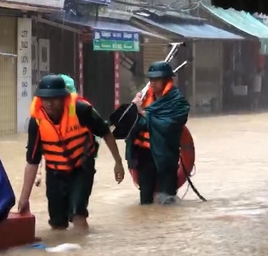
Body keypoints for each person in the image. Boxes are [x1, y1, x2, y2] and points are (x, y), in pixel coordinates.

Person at [18, 74, 125, 232]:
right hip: (55, 171)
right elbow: (32, 161)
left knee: (78, 215)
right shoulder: (37, 121)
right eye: (45, 98)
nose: (49, 103)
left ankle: (81, 253)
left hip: (82, 167)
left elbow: (106, 133)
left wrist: (118, 163)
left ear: (63, 97)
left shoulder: (81, 110)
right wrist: (24, 198)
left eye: (54, 98)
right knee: (57, 223)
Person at [128, 61, 190, 205]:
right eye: (151, 79)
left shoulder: (177, 101)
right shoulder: (143, 99)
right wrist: (134, 108)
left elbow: (168, 125)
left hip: (166, 154)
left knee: (167, 199)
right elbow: (132, 125)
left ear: (167, 80)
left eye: (157, 79)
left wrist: (142, 112)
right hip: (145, 155)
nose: (153, 83)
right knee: (145, 200)